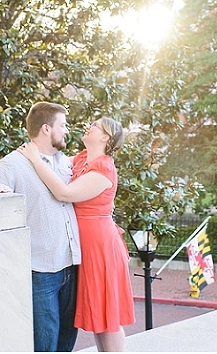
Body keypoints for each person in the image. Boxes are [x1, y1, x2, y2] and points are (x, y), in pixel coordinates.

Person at [18, 117, 133, 352]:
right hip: (85, 246)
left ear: (105, 137)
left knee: (107, 320)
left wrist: (33, 158)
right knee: (100, 319)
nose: (88, 126)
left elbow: (63, 193)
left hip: (100, 247)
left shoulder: (103, 168)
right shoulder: (81, 159)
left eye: (95, 125)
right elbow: (50, 171)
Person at [0, 102, 81, 352]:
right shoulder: (12, 164)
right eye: (63, 125)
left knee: (66, 341)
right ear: (47, 129)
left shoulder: (66, 163)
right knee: (45, 344)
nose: (67, 131)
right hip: (41, 270)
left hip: (72, 265)